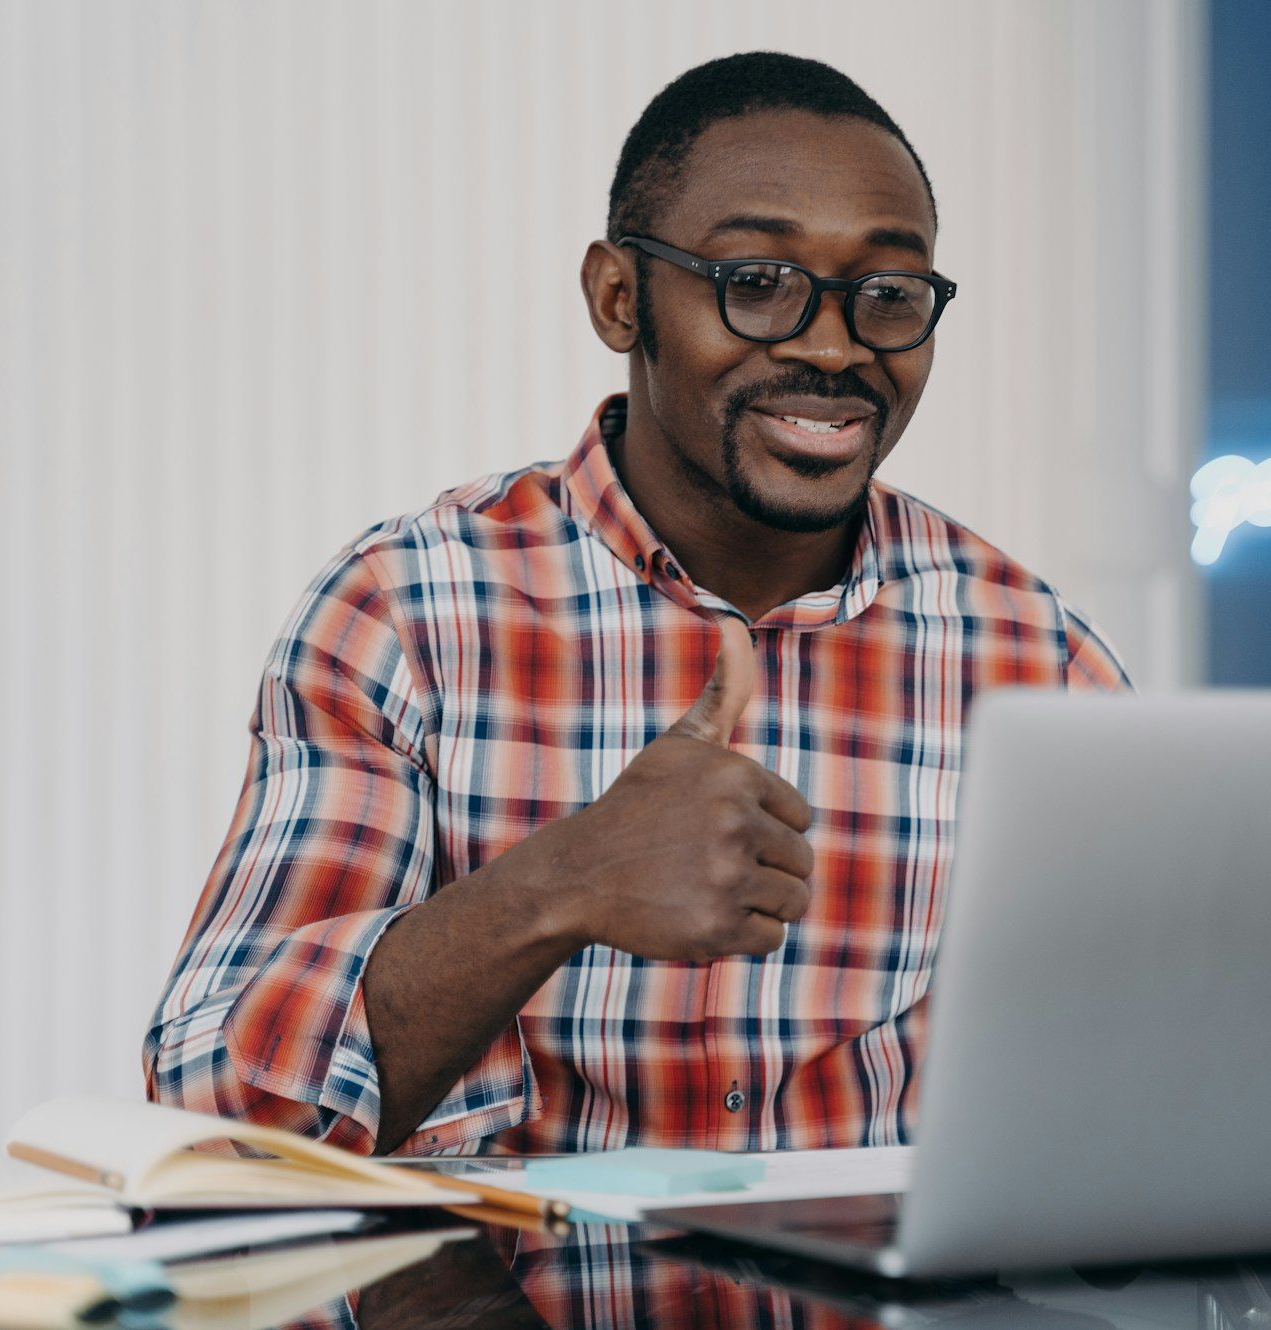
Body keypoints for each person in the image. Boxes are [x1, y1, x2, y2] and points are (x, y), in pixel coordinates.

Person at [144, 51, 1130, 1158]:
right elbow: (215, 1105)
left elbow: (1148, 1078)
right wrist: (563, 882)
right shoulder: (408, 613)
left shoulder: (1032, 657)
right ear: (619, 298)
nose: (832, 343)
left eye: (888, 294)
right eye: (754, 280)